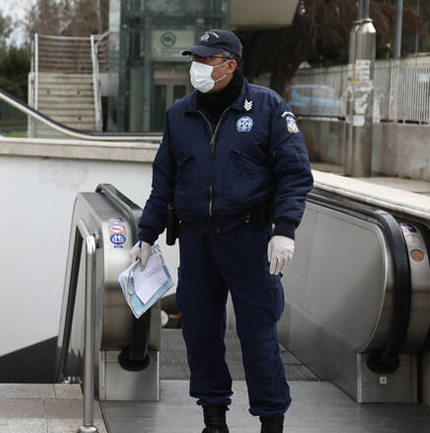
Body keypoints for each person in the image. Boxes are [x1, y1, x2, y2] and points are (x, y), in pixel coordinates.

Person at [130, 29, 313, 433]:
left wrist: (285, 229)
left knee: (257, 334)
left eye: (206, 61)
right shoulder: (179, 114)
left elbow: (295, 173)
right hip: (197, 241)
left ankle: (271, 421)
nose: (196, 67)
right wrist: (147, 234)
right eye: (194, 59)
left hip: (249, 239)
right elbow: (164, 182)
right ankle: (214, 418)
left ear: (229, 65)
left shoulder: (267, 107)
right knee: (200, 333)